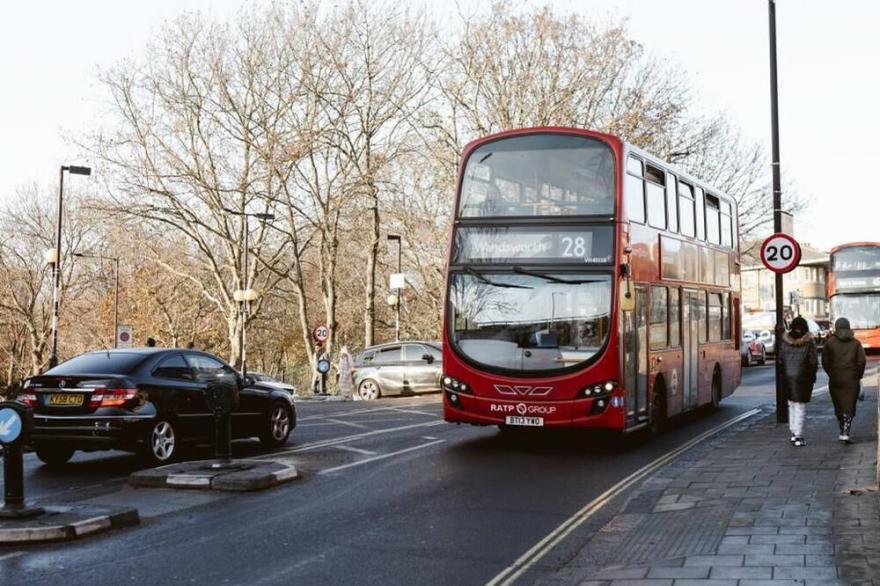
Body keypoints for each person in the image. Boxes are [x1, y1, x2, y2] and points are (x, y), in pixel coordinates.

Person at [822, 317, 866, 443]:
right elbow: (861, 361)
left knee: (839, 405)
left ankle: (842, 429)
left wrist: (831, 373)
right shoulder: (856, 343)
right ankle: (846, 431)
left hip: (835, 379)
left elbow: (825, 361)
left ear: (836, 327)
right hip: (852, 378)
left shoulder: (829, 343)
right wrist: (858, 375)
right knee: (849, 405)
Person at [777, 316, 818, 447]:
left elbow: (780, 360)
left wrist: (783, 374)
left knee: (792, 405)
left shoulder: (784, 341)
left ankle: (794, 433)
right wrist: (812, 376)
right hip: (803, 378)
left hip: (788, 379)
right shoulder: (809, 342)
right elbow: (813, 362)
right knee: (800, 406)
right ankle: (798, 435)